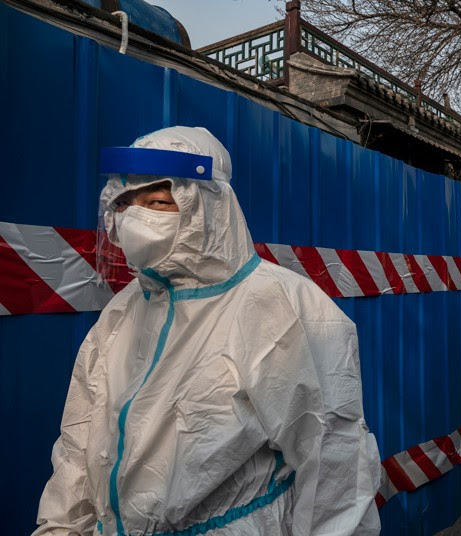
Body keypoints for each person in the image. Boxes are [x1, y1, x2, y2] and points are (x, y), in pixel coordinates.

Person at [34, 126, 381, 536]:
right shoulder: (123, 310)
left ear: (207, 206)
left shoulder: (280, 306)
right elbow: (79, 440)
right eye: (126, 203)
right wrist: (60, 527)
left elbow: (334, 462)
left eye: (158, 202)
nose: (135, 217)